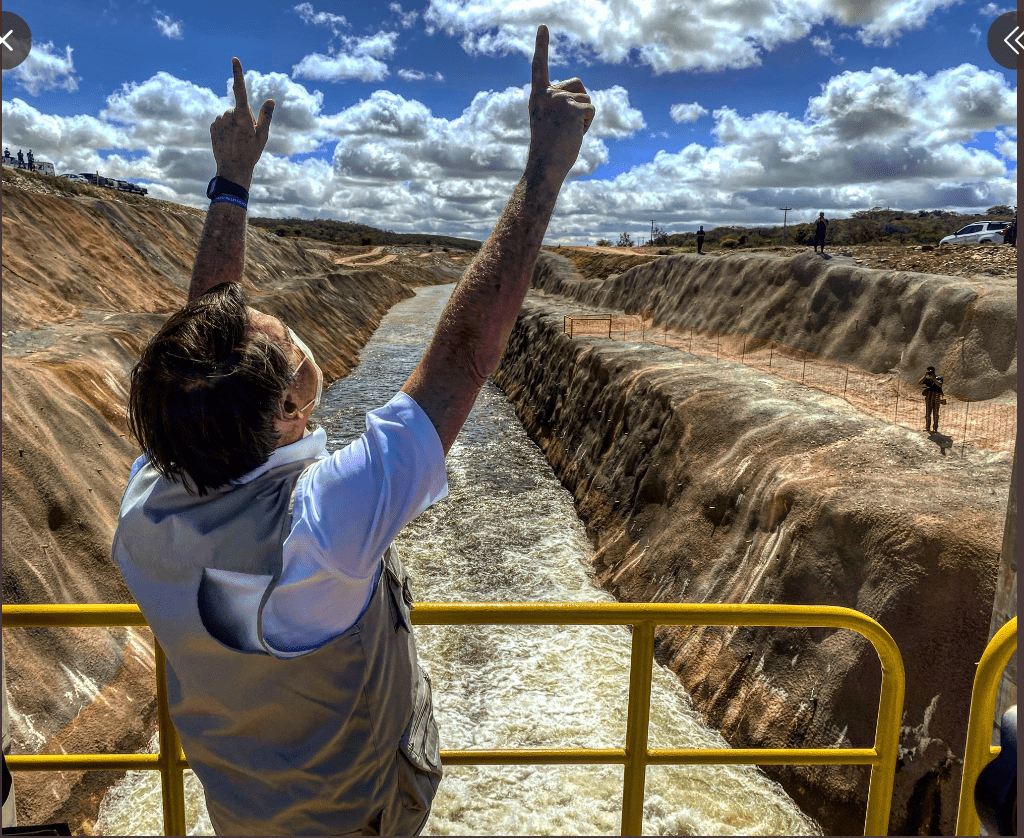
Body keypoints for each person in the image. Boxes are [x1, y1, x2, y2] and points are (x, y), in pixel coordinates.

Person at [111, 28, 593, 837]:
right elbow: (461, 360)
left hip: (240, 808)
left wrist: (231, 181)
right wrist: (544, 168)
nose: (296, 334)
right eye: (291, 341)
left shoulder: (149, 502)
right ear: (288, 415)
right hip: (358, 816)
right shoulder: (323, 527)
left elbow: (206, 340)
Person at [918, 366, 944, 434]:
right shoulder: (927, 379)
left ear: (934, 372)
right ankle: (927, 428)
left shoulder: (939, 378)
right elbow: (919, 383)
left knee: (935, 413)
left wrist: (933, 379)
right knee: (928, 413)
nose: (930, 373)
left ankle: (935, 428)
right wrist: (924, 376)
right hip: (929, 396)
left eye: (931, 371)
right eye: (929, 371)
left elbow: (940, 385)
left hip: (936, 396)